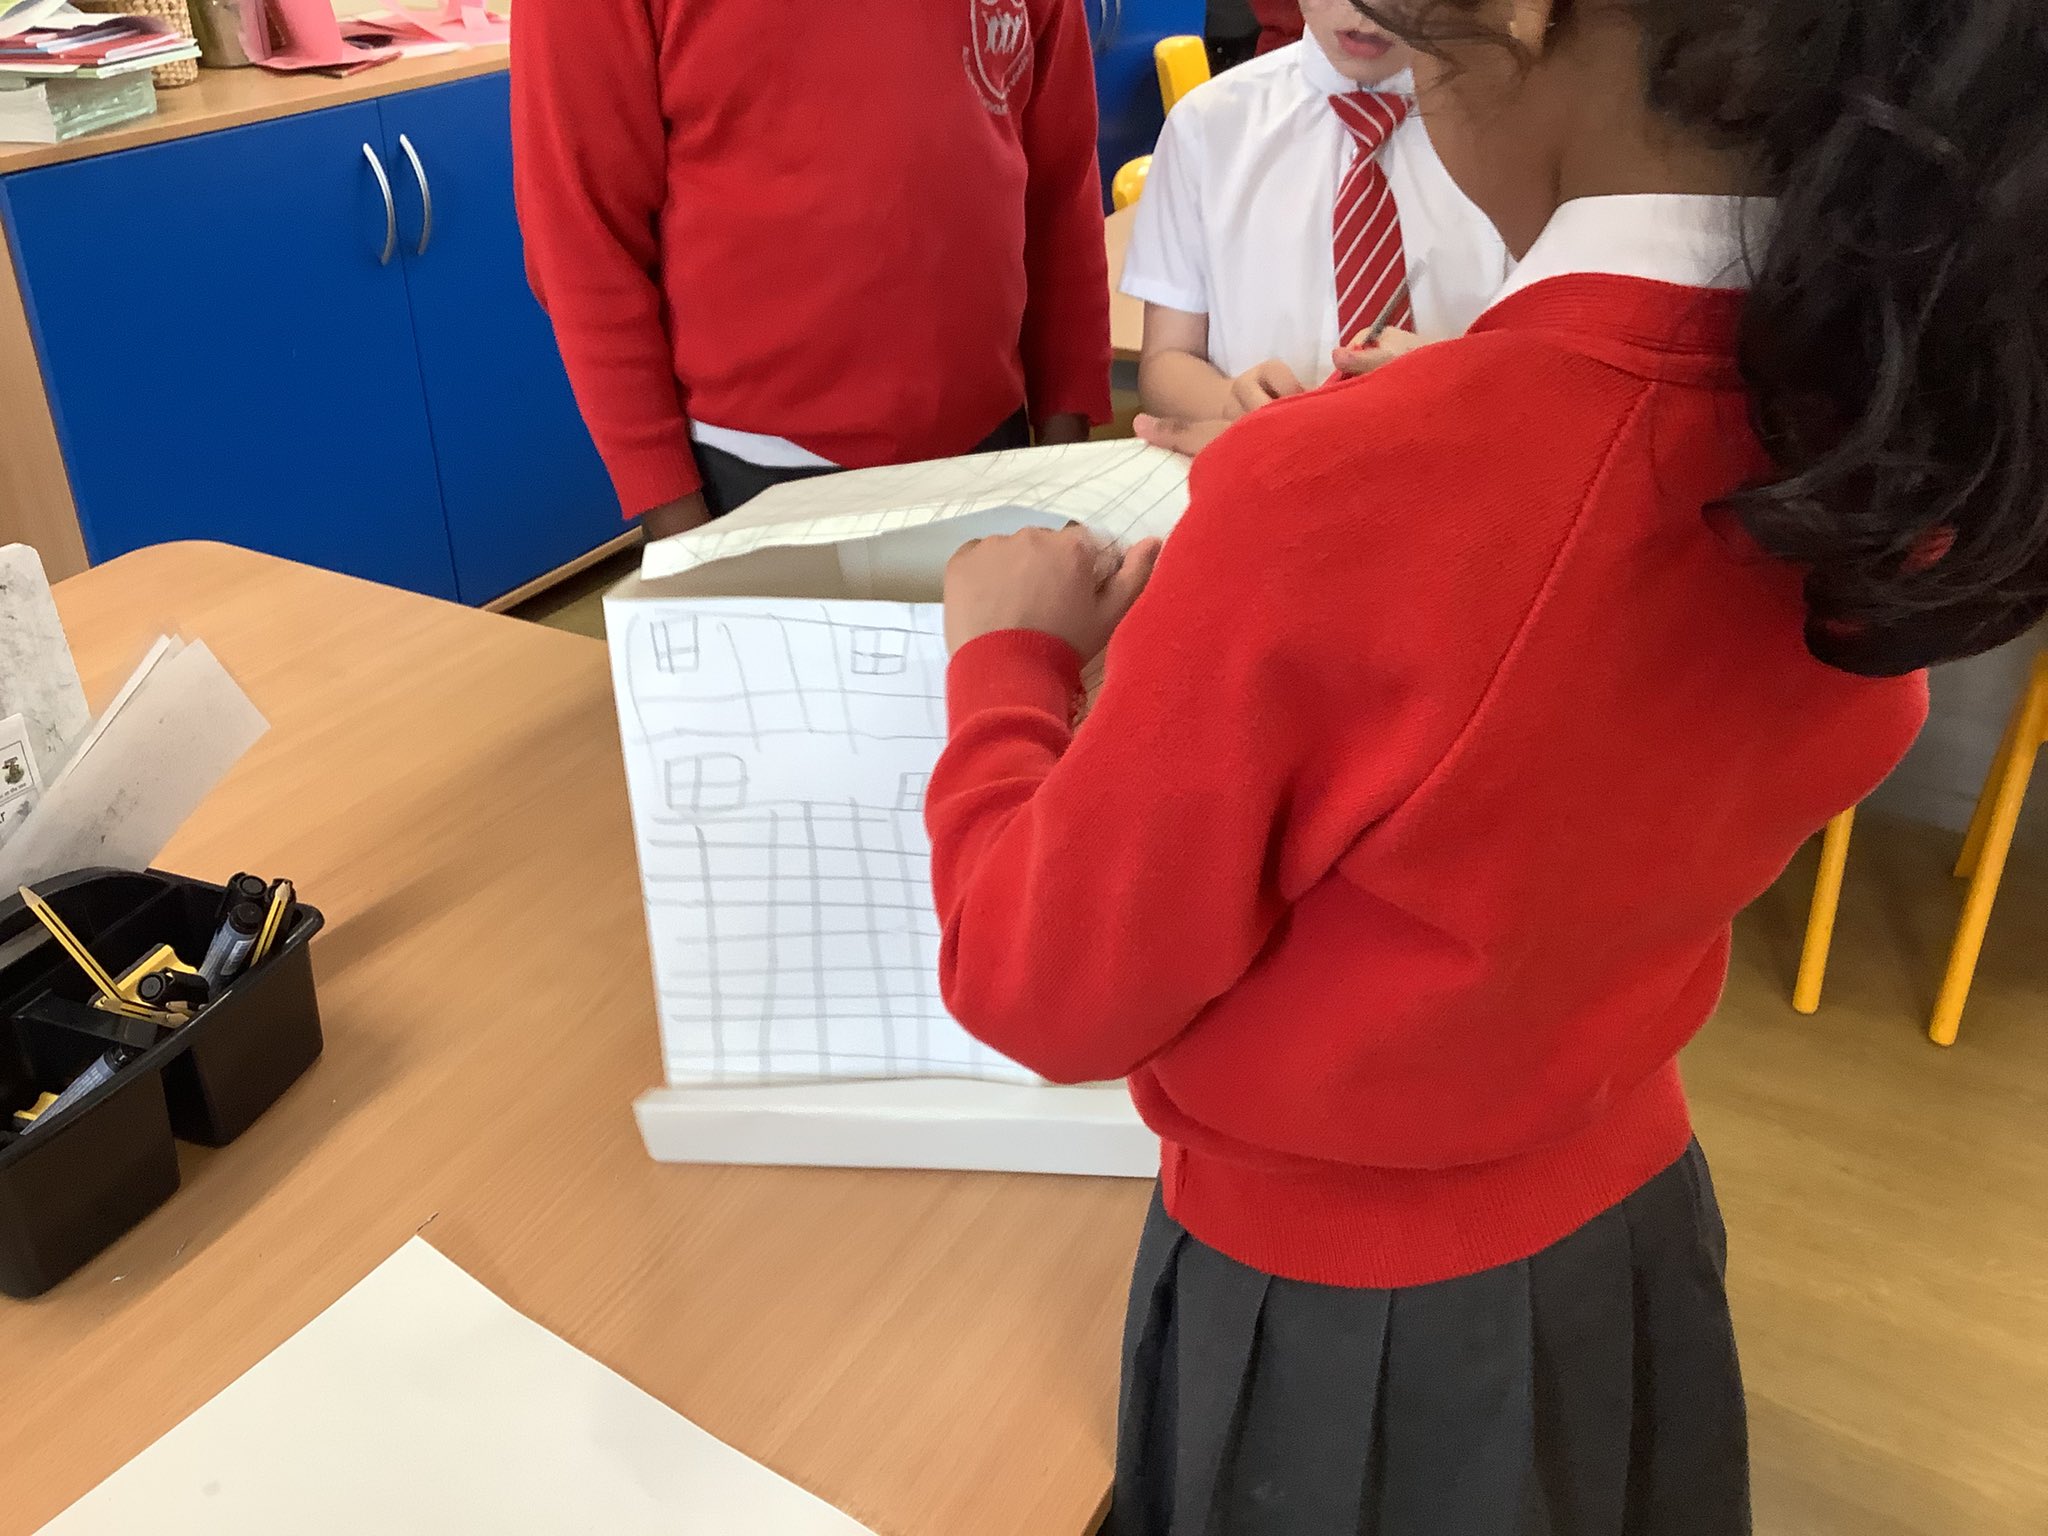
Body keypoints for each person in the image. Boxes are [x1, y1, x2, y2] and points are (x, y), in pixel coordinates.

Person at [928, 0, 2048, 1530]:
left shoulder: (1331, 497)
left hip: (1339, 1295)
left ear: (1521, 21)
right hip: (1626, 1216)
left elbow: (1040, 986)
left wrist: (1009, 666)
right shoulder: (1874, 427)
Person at [511, 0, 1112, 540]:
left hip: (992, 443)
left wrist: (1063, 459)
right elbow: (583, 241)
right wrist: (676, 522)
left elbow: (1061, 186)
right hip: (750, 472)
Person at [1122, 0, 1509, 421]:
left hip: (1467, 444)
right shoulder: (1207, 126)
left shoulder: (1514, 127)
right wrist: (1228, 400)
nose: (1366, 10)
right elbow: (1169, 358)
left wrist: (1455, 380)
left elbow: (1553, 359)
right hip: (1261, 453)